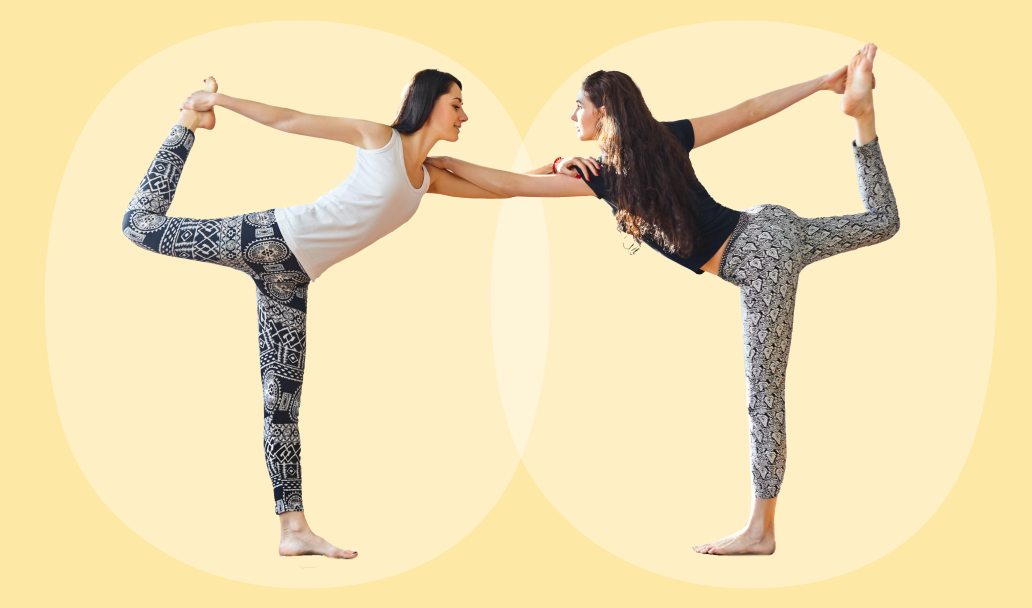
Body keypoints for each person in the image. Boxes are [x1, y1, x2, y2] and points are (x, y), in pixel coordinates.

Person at [424, 44, 898, 555]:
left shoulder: (608, 177)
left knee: (764, 396)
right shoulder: (656, 144)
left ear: (602, 110)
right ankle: (863, 119)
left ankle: (761, 532)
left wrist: (443, 160)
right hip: (770, 227)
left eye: (577, 106)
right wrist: (820, 83)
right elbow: (750, 110)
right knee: (883, 223)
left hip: (759, 258)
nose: (572, 115)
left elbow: (511, 185)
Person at [121, 69, 533, 559]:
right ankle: (188, 123)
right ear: (429, 102)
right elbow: (294, 120)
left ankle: (293, 530)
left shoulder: (426, 180)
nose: (464, 115)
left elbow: (504, 188)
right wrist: (220, 101)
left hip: (293, 277)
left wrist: (556, 171)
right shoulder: (378, 140)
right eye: (456, 103)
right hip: (270, 239)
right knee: (139, 225)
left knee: (282, 406)